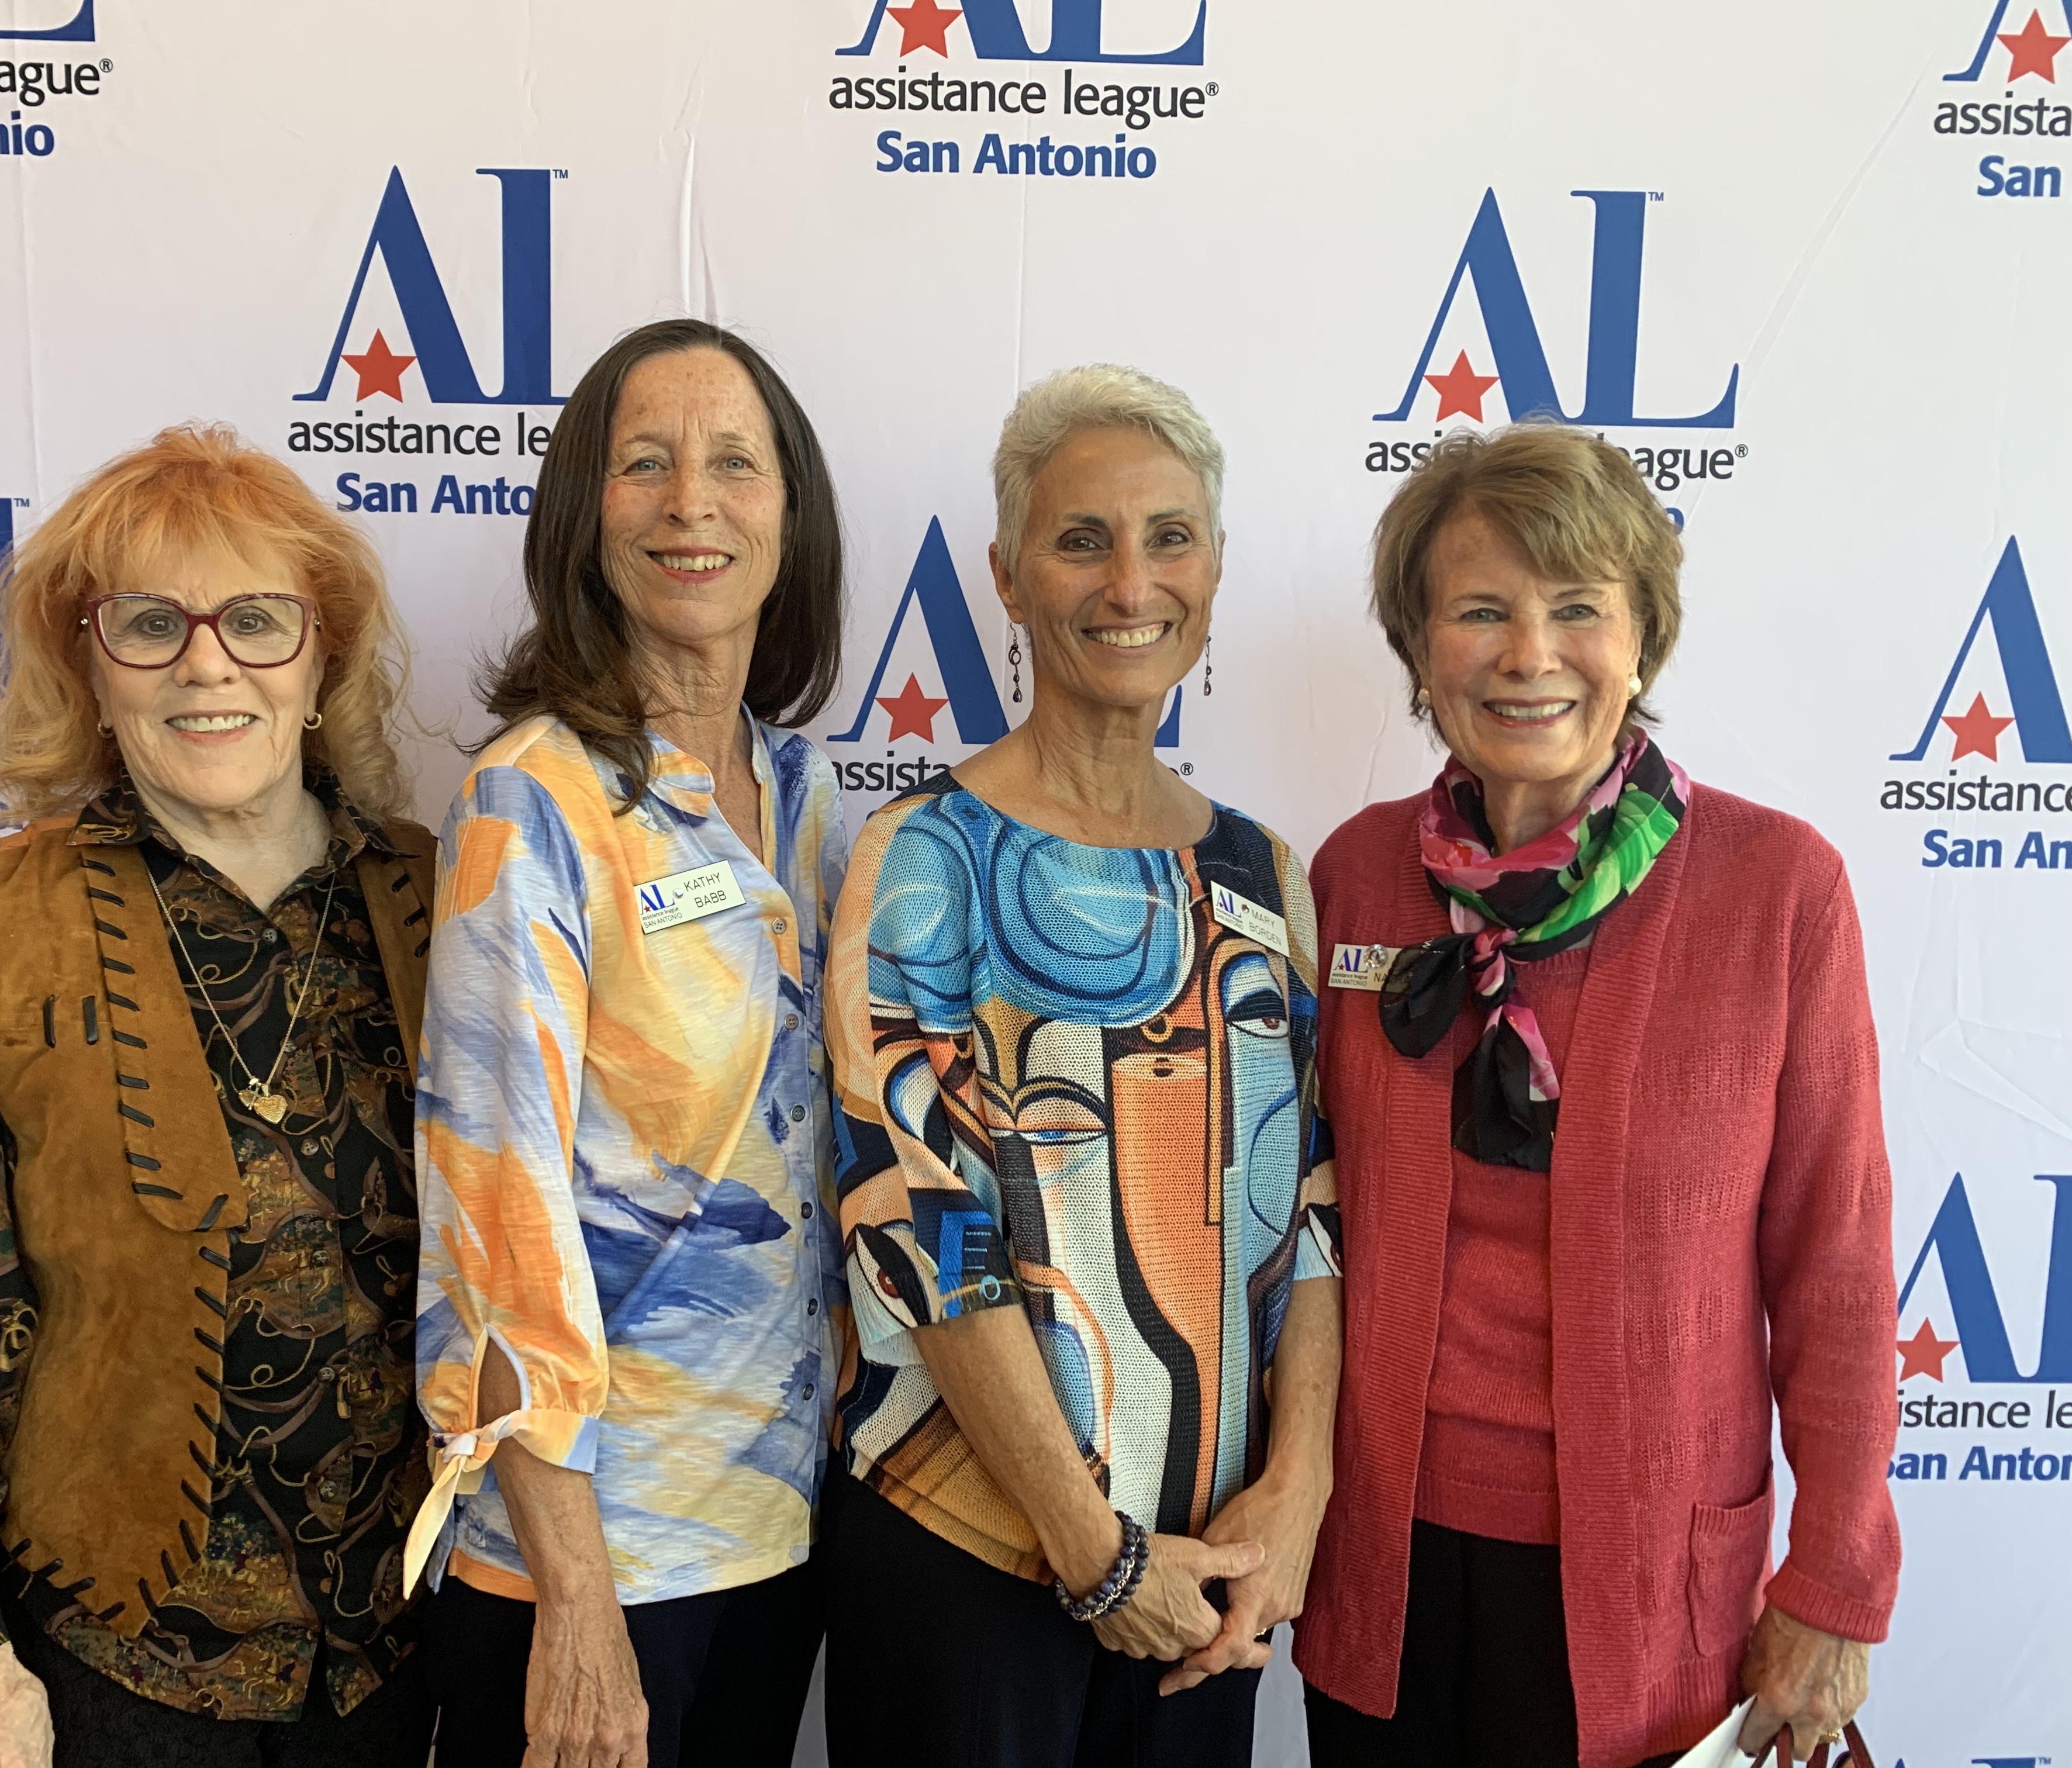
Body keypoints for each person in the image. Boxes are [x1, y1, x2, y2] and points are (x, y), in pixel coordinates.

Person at [0, 424, 440, 1766]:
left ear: (322, 657)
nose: (208, 662)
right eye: (150, 624)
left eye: (257, 619)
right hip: (111, 1669)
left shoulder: (446, 902)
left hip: (405, 1658)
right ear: (91, 669)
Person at [1294, 423, 1898, 1768]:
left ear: (1644, 638)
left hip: (1652, 1590)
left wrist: (1838, 1583)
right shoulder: (1351, 879)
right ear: (1417, 643)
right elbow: (1299, 1227)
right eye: (1480, 612)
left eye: (1578, 609)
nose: (1530, 655)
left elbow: (1839, 1266)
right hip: (1383, 1570)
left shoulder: (1778, 891)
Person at [821, 364, 1344, 1768]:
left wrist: (1294, 1497)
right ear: (1005, 575)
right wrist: (1091, 1549)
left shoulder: (1264, 872)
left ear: (1218, 566)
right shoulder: (925, 855)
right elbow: (919, 1227)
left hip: (1201, 1584)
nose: (1132, 582)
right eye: (1081, 540)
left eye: (1170, 536)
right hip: (978, 1561)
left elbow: (1311, 1220)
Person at [409, 319, 848, 1768]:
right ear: (581, 516)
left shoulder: (804, 796)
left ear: (792, 514)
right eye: (642, 464)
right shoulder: (531, 798)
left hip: (776, 1522)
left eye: (735, 462)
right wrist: (578, 1597)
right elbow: (496, 1221)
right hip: (586, 1558)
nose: (690, 503)